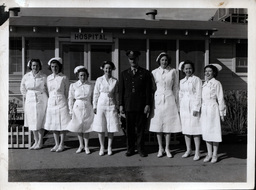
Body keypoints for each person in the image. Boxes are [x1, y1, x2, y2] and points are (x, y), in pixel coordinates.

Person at [119, 50, 152, 157]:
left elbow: (148, 90)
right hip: (128, 105)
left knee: (141, 130)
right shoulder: (124, 74)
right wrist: (121, 105)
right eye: (131, 59)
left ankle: (141, 149)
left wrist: (147, 104)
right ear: (128, 60)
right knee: (129, 130)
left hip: (141, 105)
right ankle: (130, 149)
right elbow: (121, 91)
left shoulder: (145, 73)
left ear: (138, 59)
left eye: (135, 58)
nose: (133, 61)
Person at [149, 52, 181, 158]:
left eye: (166, 60)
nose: (164, 62)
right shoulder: (154, 72)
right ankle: (160, 148)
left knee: (168, 124)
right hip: (158, 100)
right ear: (159, 61)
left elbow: (176, 88)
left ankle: (167, 148)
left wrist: (177, 103)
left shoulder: (173, 71)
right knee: (158, 124)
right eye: (162, 60)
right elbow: (152, 88)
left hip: (169, 99)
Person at [92, 61, 120, 156]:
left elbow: (116, 94)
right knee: (101, 127)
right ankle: (102, 147)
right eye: (106, 68)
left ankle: (109, 147)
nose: (108, 70)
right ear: (103, 69)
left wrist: (117, 105)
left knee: (111, 127)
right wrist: (94, 106)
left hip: (111, 104)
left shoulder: (115, 80)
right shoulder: (99, 80)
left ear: (112, 69)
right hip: (101, 104)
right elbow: (96, 94)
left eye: (109, 68)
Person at [20, 59, 48, 150]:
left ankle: (40, 142)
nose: (35, 67)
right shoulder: (26, 76)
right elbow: (22, 88)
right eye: (33, 65)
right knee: (32, 121)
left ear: (39, 66)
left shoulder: (44, 77)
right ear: (30, 66)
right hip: (30, 100)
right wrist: (28, 95)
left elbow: (47, 88)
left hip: (41, 99)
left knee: (40, 120)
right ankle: (35, 141)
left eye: (36, 65)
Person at [44, 57, 71, 152]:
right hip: (52, 101)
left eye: (56, 66)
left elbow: (67, 91)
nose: (54, 68)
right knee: (53, 124)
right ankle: (56, 144)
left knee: (63, 123)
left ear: (59, 67)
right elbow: (48, 90)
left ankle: (62, 144)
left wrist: (67, 103)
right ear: (50, 67)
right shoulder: (48, 78)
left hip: (61, 101)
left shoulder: (64, 78)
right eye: (52, 66)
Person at [66, 66, 94, 154]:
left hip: (87, 106)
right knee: (79, 126)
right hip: (77, 106)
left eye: (84, 75)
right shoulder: (73, 85)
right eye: (81, 75)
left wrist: (94, 108)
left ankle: (86, 146)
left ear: (87, 76)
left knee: (86, 126)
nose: (83, 77)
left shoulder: (90, 85)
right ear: (78, 76)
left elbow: (93, 98)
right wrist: (70, 110)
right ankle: (81, 145)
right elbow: (70, 98)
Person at [201, 64, 226, 163]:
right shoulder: (204, 83)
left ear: (214, 73)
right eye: (206, 71)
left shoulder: (217, 83)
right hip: (204, 109)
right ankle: (209, 154)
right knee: (206, 132)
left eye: (209, 71)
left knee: (214, 131)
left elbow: (220, 98)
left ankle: (215, 154)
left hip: (213, 109)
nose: (207, 73)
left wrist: (222, 113)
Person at [179, 60, 202, 161]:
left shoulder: (196, 80)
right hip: (184, 107)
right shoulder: (182, 81)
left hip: (193, 106)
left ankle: (197, 151)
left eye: (190, 68)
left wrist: (196, 108)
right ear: (183, 70)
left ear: (192, 69)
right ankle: (188, 150)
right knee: (186, 130)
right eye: (186, 68)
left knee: (195, 130)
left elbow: (199, 94)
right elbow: (180, 95)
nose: (188, 70)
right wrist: (180, 108)